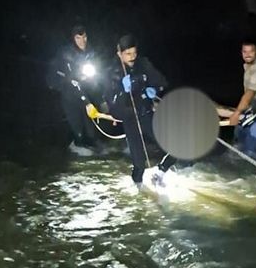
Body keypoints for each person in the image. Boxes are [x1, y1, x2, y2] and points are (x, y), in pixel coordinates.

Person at [103, 34, 176, 187]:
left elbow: (162, 82)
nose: (132, 57)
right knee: (139, 164)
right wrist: (122, 91)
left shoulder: (143, 64)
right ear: (119, 54)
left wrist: (154, 89)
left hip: (146, 112)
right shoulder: (112, 71)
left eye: (134, 53)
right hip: (129, 117)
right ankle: (139, 191)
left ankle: (160, 172)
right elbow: (112, 106)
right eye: (128, 54)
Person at [46, 25, 103, 156]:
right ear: (73, 39)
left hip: (85, 89)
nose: (82, 41)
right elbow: (70, 79)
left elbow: (97, 75)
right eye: (78, 38)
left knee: (90, 125)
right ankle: (76, 146)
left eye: (84, 37)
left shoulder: (91, 52)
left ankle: (91, 142)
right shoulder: (66, 53)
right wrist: (86, 100)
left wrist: (100, 99)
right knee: (76, 124)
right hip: (69, 92)